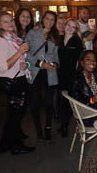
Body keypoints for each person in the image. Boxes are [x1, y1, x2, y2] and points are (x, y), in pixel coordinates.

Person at [0, 12, 35, 155]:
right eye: (5, 22)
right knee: (15, 115)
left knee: (17, 114)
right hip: (13, 82)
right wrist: (20, 51)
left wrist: (24, 64)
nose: (10, 23)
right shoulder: (1, 41)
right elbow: (3, 67)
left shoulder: (13, 39)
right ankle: (15, 146)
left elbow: (19, 60)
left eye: (11, 20)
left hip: (20, 78)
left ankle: (5, 144)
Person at [25, 11, 60, 142]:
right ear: (42, 19)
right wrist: (41, 64)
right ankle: (38, 128)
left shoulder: (55, 35)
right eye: (47, 18)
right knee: (34, 102)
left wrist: (55, 64)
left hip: (50, 72)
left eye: (52, 19)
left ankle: (48, 127)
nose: (49, 21)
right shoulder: (33, 33)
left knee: (49, 102)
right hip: (35, 71)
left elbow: (56, 55)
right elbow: (26, 54)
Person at [60, 51, 97, 135]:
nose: (92, 62)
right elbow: (77, 103)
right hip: (88, 116)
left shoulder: (95, 75)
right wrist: (92, 100)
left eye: (94, 60)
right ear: (81, 63)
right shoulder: (76, 80)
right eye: (88, 59)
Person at [57, 19, 84, 137]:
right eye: (68, 25)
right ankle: (63, 123)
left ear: (75, 30)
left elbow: (81, 60)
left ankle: (65, 126)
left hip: (71, 76)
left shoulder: (77, 41)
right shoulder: (59, 39)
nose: (69, 28)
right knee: (61, 100)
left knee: (68, 101)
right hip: (58, 74)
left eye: (73, 27)